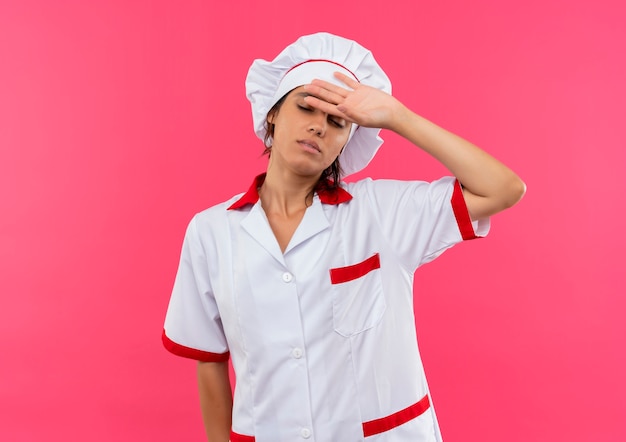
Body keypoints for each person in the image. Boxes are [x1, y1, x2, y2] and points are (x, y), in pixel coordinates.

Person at [162, 32, 525, 442]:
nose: (319, 126)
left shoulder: (382, 213)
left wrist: (397, 116)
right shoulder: (211, 232)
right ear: (272, 115)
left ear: (345, 143)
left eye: (338, 122)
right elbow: (210, 359)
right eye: (307, 107)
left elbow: (502, 188)